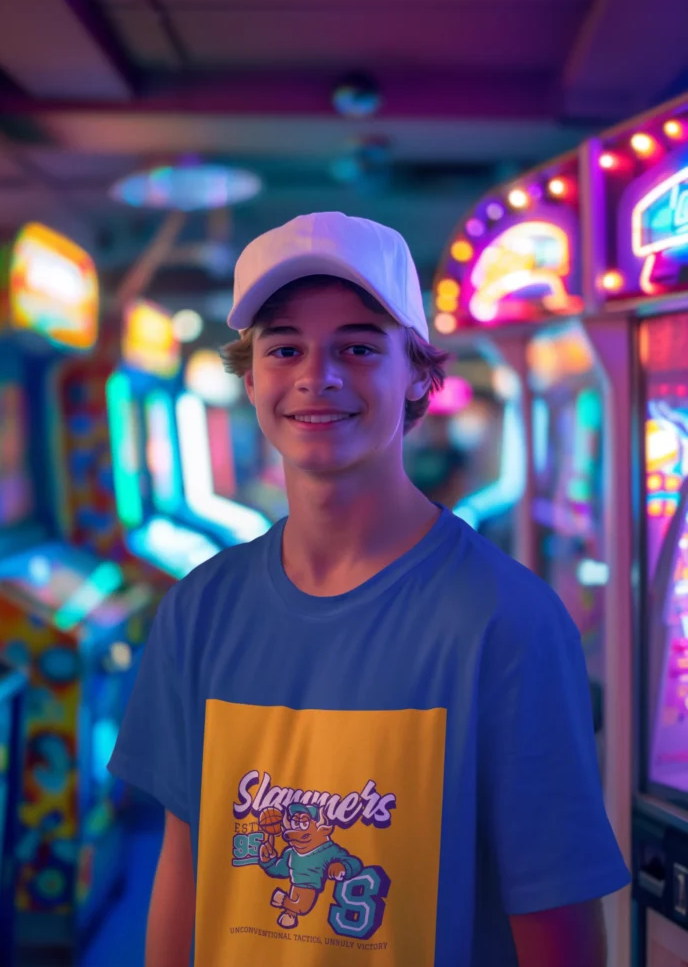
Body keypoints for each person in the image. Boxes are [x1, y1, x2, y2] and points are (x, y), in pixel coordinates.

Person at [108, 212, 629, 967]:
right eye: (285, 348)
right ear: (251, 377)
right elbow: (186, 867)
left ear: (419, 374)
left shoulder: (509, 621)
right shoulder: (199, 606)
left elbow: (558, 924)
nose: (316, 376)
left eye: (357, 347)